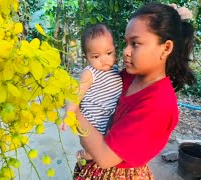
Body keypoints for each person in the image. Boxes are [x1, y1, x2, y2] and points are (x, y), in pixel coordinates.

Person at [73, 3, 196, 179]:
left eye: (135, 43)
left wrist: (74, 110)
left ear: (166, 48)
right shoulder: (130, 76)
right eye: (125, 43)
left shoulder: (159, 104)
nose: (125, 52)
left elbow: (105, 157)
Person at [60, 23, 123, 163]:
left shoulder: (115, 70)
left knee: (108, 149)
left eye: (108, 53)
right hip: (93, 119)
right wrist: (68, 115)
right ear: (86, 57)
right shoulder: (90, 73)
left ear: (115, 50)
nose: (103, 59)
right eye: (95, 56)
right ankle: (82, 154)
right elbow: (77, 94)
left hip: (109, 118)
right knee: (92, 153)